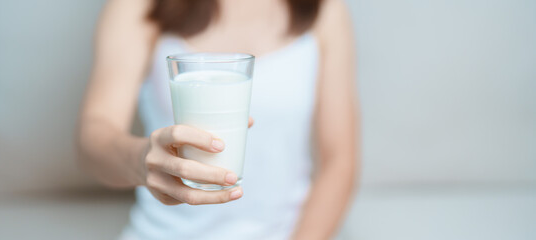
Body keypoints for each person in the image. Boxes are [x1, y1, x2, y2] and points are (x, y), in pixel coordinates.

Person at [77, 0, 359, 239]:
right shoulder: (140, 5)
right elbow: (93, 138)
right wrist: (141, 160)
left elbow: (340, 161)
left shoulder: (324, 9)